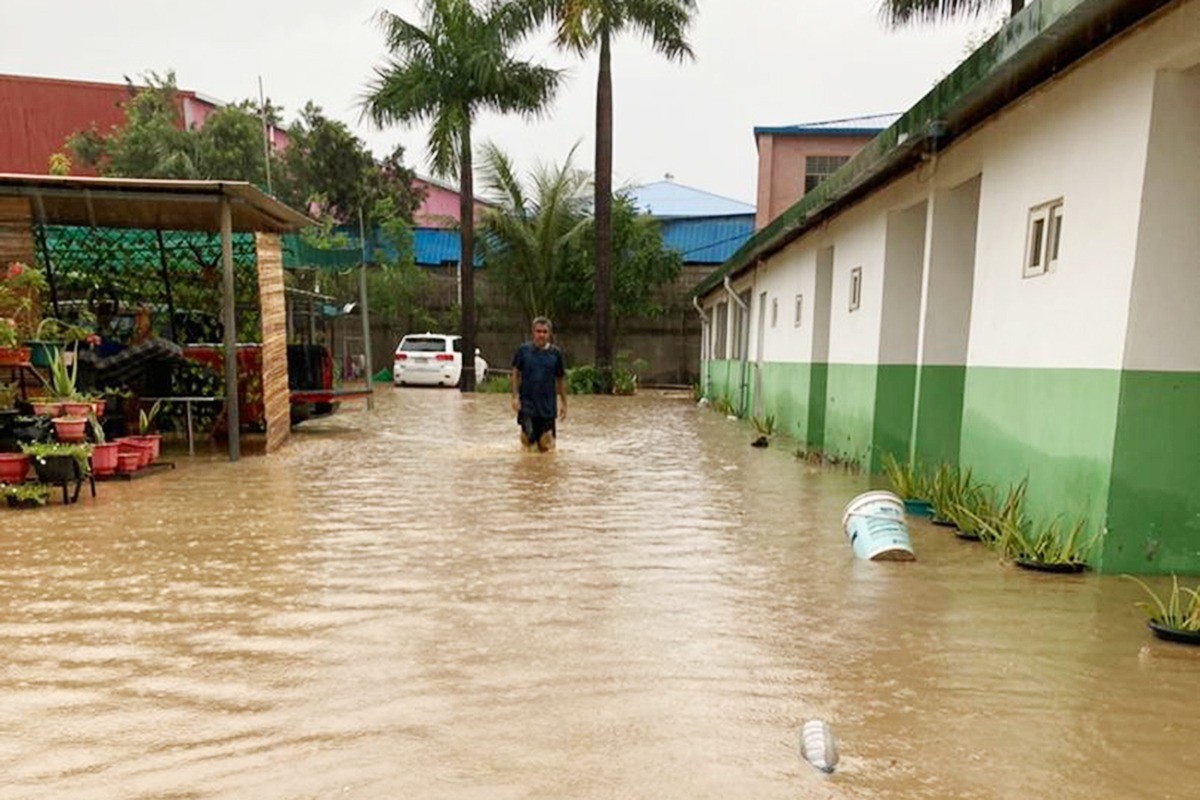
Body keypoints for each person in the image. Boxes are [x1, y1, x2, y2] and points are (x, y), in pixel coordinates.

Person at [511, 317, 566, 451]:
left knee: (546, 445)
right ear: (532, 332)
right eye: (538, 331)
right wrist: (514, 396)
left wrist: (564, 402)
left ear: (550, 334)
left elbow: (560, 379)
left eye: (545, 332)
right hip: (527, 405)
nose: (541, 335)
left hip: (547, 407)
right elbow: (515, 373)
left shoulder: (556, 354)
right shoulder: (523, 351)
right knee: (530, 442)